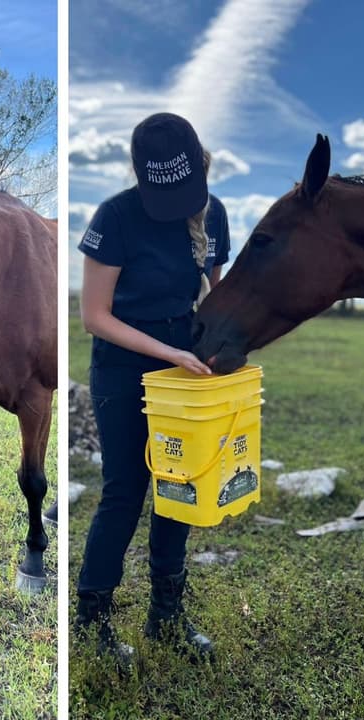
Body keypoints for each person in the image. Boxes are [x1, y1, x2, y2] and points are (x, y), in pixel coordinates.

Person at [75, 112, 231, 669]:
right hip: (123, 368)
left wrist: (225, 349)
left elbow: (219, 296)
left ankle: (166, 616)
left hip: (188, 368)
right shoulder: (115, 216)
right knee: (124, 490)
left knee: (182, 484)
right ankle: (92, 620)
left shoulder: (213, 215)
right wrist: (168, 354)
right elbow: (93, 315)